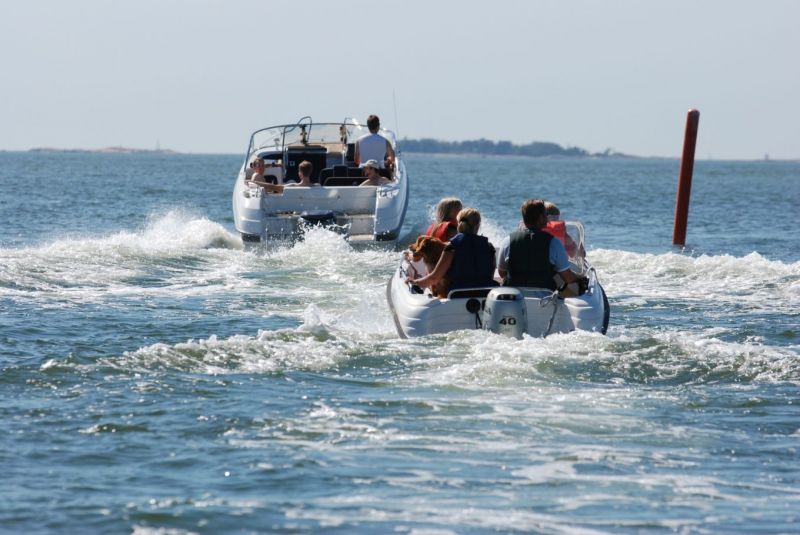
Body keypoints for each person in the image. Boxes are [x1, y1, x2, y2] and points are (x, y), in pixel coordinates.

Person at [408, 207, 497, 292]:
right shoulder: (489, 247)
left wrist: (415, 282)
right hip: (486, 294)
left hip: (458, 294)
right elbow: (490, 275)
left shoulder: (452, 246)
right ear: (478, 225)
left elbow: (435, 278)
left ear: (459, 223)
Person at [497, 199, 579, 290]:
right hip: (544, 299)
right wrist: (581, 277)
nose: (547, 218)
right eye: (545, 215)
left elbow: (502, 273)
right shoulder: (554, 243)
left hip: (515, 298)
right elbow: (568, 278)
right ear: (540, 218)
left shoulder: (507, 241)